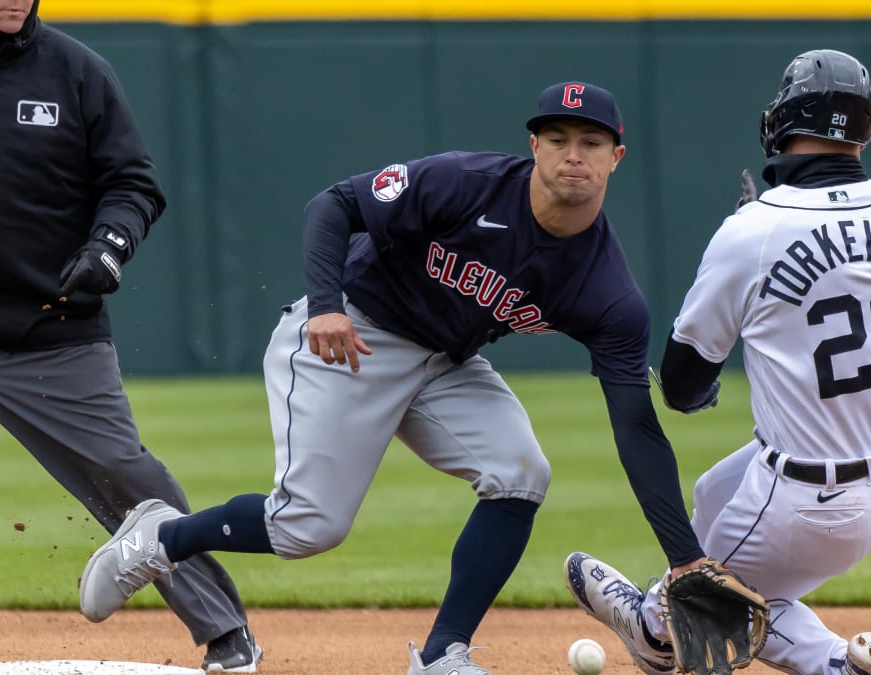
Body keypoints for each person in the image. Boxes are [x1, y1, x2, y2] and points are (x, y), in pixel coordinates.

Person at [78, 80, 708, 675]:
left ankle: (442, 655)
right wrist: (324, 304)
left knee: (521, 473)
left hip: (447, 363)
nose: (574, 155)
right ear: (534, 146)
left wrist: (685, 558)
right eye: (559, 139)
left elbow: (635, 426)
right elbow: (334, 205)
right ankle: (161, 536)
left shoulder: (608, 291)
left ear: (616, 157)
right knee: (308, 528)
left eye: (591, 142)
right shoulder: (467, 182)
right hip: (354, 332)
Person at [565, 50, 871, 675]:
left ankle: (678, 628)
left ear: (784, 120)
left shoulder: (752, 231)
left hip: (812, 502)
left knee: (706, 611)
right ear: (864, 126)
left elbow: (680, 383)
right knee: (713, 491)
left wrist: (743, 259)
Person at [0, 0, 262, 671]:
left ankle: (224, 627)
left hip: (50, 328)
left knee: (130, 478)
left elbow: (133, 182)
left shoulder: (77, 71)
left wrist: (111, 242)